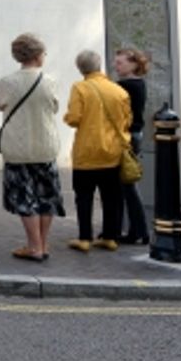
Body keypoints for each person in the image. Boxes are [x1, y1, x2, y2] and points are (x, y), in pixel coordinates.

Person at [0, 33, 65, 262]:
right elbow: (54, 107)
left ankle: (34, 246)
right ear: (37, 55)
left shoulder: (7, 82)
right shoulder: (50, 81)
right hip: (45, 145)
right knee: (47, 197)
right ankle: (42, 243)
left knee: (25, 198)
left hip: (17, 147)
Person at [63, 50, 129, 253]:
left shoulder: (80, 88)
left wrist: (67, 117)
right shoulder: (118, 90)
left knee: (84, 196)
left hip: (87, 151)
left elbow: (74, 118)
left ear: (80, 68)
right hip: (112, 152)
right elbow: (127, 120)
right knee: (111, 197)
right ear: (99, 65)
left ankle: (85, 238)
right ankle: (110, 236)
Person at [112, 47, 151, 247]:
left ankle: (139, 230)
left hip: (126, 137)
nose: (116, 66)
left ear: (134, 64)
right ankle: (135, 229)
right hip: (134, 135)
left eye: (120, 63)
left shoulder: (125, 86)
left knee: (127, 185)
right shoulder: (139, 84)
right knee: (127, 184)